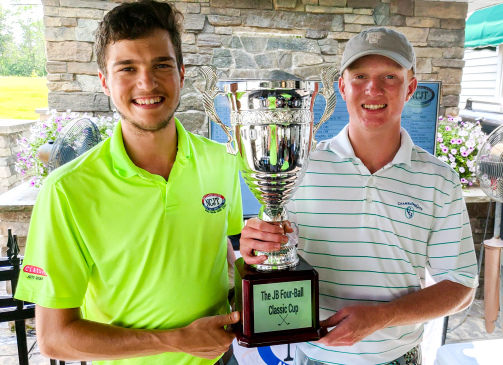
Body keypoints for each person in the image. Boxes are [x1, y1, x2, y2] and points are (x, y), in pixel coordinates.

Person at [14, 1, 243, 364]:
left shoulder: (222, 161)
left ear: (182, 73)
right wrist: (176, 341)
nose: (147, 83)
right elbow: (55, 338)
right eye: (127, 68)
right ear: (104, 81)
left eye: (162, 65)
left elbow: (221, 250)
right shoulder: (66, 191)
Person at [240, 27, 478, 365]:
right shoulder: (299, 169)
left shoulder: (439, 180)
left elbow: (461, 286)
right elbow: (272, 253)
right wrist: (256, 246)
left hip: (400, 357)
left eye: (390, 77)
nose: (373, 89)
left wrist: (383, 316)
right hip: (315, 356)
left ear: (410, 87)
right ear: (342, 86)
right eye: (360, 75)